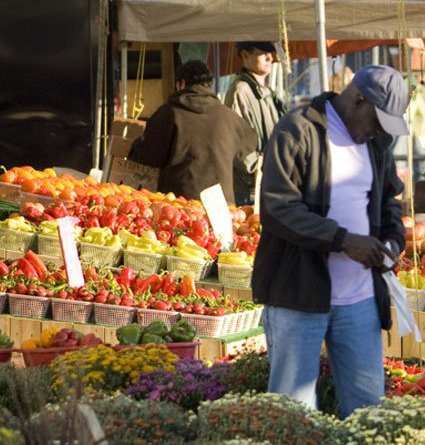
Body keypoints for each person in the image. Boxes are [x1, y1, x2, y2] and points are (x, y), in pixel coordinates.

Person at [255, 65, 409, 418]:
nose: (378, 132)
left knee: (368, 412)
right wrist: (343, 241)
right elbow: (277, 208)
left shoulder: (378, 143)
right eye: (377, 122)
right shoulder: (298, 129)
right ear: (357, 100)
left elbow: (389, 201)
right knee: (293, 414)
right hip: (298, 296)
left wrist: (392, 242)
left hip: (360, 301)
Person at [128, 60, 258, 202]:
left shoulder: (169, 113)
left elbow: (148, 156)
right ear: (209, 85)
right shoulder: (229, 117)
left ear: (181, 84)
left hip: (179, 207)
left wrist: (135, 145)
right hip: (221, 208)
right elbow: (250, 145)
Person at [227, 41, 287, 204]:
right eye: (263, 53)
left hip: (268, 184)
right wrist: (262, 170)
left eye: (270, 53)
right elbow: (236, 144)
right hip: (250, 190)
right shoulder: (240, 91)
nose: (270, 58)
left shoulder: (268, 92)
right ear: (245, 55)